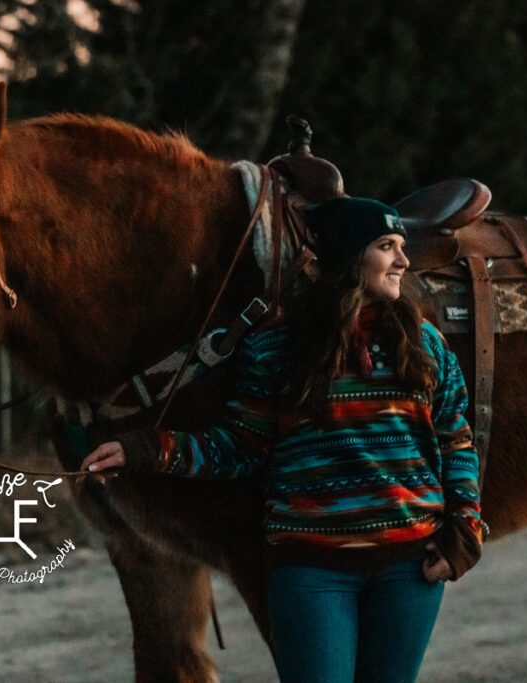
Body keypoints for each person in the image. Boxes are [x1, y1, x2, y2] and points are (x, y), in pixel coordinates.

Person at [82, 197, 486, 683]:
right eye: (386, 246)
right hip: (312, 572)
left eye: (402, 247)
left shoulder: (426, 347)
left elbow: (455, 443)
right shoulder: (274, 348)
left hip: (408, 570)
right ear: (348, 256)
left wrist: (465, 530)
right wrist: (145, 449)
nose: (403, 260)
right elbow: (239, 448)